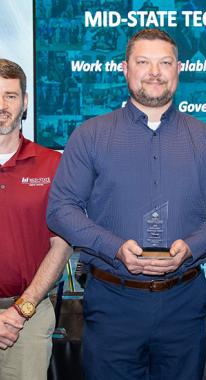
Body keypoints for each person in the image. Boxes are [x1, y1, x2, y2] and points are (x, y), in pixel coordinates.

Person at [46, 29, 206, 380]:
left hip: (184, 303)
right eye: (143, 62)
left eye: (164, 62)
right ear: (125, 68)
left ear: (178, 69)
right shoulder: (90, 135)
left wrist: (192, 245)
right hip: (112, 302)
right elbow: (61, 208)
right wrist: (115, 247)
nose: (155, 71)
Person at [0, 58, 73, 379]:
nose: (1, 105)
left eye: (10, 96)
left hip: (27, 317)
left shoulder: (52, 166)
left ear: (25, 102)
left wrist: (20, 311)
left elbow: (62, 244)